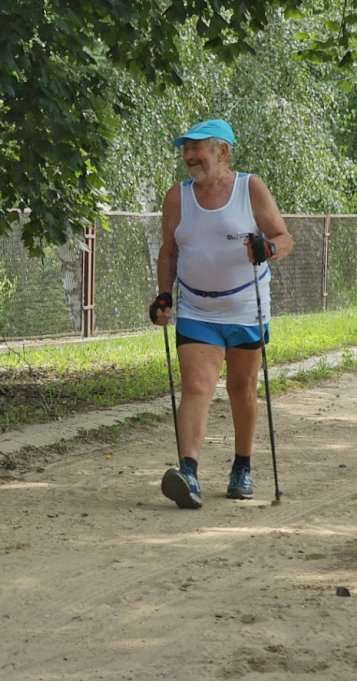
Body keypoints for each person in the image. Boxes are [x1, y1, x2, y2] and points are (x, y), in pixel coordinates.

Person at [149, 119, 294, 509]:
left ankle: (241, 467)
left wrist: (268, 249)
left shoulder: (250, 188)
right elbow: (170, 251)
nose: (189, 157)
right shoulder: (177, 196)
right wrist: (165, 295)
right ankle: (189, 473)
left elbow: (284, 238)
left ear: (222, 152)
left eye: (196, 150)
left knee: (242, 389)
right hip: (197, 307)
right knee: (197, 386)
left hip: (246, 306)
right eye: (185, 150)